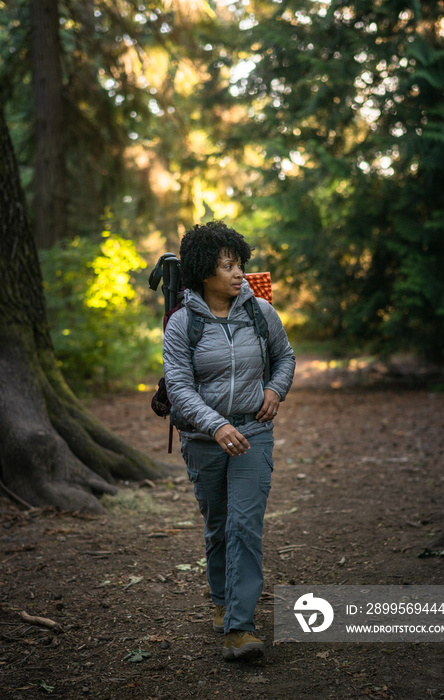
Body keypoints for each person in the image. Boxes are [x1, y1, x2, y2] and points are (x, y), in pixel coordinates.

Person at [163, 220, 295, 661]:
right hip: (205, 439)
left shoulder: (260, 312)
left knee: (244, 525)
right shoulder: (182, 323)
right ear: (204, 272)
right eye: (227, 266)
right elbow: (179, 387)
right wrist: (216, 425)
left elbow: (285, 357)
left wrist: (275, 390)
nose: (239, 274)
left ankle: (240, 627)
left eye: (239, 264)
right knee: (219, 524)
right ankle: (221, 601)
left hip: (253, 431)